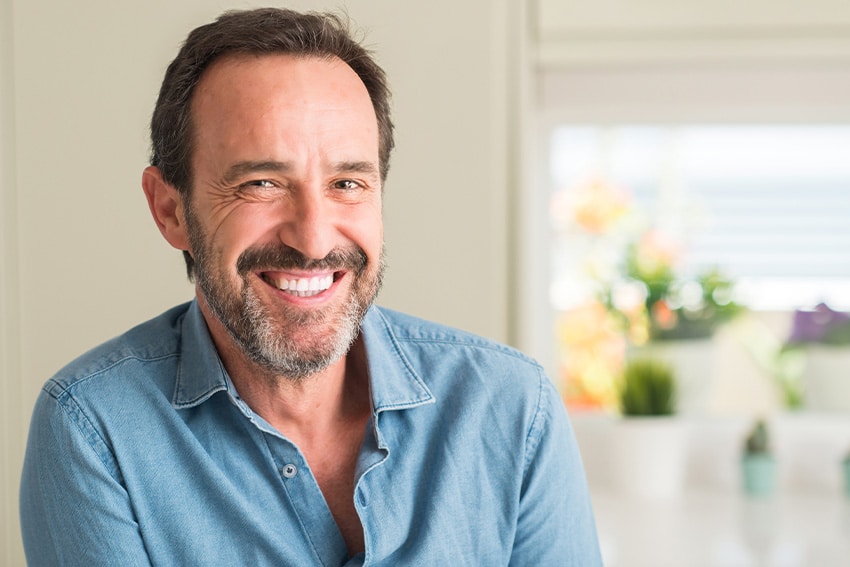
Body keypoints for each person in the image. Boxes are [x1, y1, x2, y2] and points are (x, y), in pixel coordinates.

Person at [20, 7, 601, 565]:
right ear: (170, 210)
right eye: (263, 183)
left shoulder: (513, 407)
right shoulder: (94, 429)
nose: (314, 239)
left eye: (347, 182)